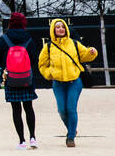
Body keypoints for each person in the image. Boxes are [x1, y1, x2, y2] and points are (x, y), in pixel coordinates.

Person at [38, 17, 98, 148]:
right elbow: (42, 65)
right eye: (57, 27)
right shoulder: (48, 47)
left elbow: (85, 55)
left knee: (71, 108)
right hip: (58, 83)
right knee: (62, 110)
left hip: (74, 82)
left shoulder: (74, 44)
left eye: (62, 27)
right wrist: (50, 74)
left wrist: (92, 52)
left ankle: (70, 137)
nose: (60, 29)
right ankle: (72, 128)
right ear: (53, 29)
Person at [0, 12, 38, 150]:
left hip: (11, 77)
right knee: (29, 107)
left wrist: (6, 66)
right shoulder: (28, 38)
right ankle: (33, 137)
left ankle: (22, 140)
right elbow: (35, 59)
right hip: (26, 77)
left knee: (16, 109)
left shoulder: (3, 39)